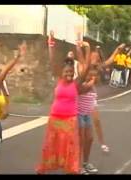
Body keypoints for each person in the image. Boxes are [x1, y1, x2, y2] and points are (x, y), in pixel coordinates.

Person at [36, 32, 89, 174]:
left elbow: (87, 67)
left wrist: (86, 49)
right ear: (62, 71)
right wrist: (51, 43)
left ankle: (71, 169)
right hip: (55, 119)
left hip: (70, 120)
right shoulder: (59, 79)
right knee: (51, 145)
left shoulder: (76, 83)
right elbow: (52, 61)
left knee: (70, 146)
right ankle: (44, 168)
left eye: (71, 72)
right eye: (66, 72)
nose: (69, 74)